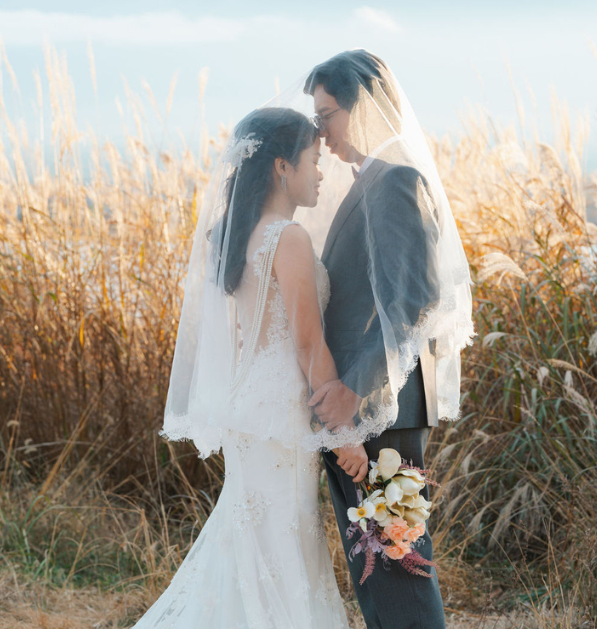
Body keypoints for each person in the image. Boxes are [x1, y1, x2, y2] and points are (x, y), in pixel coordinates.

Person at [146, 108, 356, 628]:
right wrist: (343, 429)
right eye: (313, 160)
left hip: (252, 404)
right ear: (283, 167)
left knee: (259, 538)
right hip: (282, 408)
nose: (321, 172)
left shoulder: (239, 236)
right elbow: (308, 343)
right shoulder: (288, 238)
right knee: (282, 536)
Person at [304, 50, 470, 629]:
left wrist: (352, 388)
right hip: (368, 409)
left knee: (395, 564)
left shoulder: (396, 183)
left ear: (365, 108)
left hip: (382, 408)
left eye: (327, 116)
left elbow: (412, 303)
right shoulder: (367, 182)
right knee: (377, 566)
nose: (320, 133)